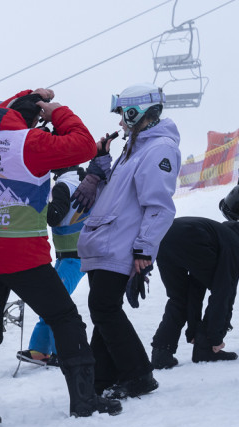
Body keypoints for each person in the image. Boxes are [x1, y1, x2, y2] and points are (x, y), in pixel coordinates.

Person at [0, 88, 121, 427]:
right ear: (34, 120)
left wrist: (28, 96)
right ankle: (84, 400)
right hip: (20, 254)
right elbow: (85, 145)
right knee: (64, 318)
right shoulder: (30, 143)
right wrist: (58, 110)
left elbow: (0, 114)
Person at [75, 83, 181, 398]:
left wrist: (143, 250)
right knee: (103, 308)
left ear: (137, 113)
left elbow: (159, 206)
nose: (120, 122)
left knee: (103, 307)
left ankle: (137, 375)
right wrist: (99, 169)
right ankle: (102, 378)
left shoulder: (158, 148)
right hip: (107, 240)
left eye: (123, 115)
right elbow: (119, 196)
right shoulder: (133, 149)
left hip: (122, 243)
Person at [150, 205, 239, 367]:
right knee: (224, 290)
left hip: (163, 238)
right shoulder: (233, 243)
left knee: (179, 297)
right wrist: (214, 338)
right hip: (192, 236)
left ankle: (162, 352)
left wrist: (193, 330)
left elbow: (196, 290)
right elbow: (224, 291)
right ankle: (207, 349)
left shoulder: (219, 234)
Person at [18, 167, 88, 366]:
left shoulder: (64, 185)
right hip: (72, 253)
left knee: (56, 302)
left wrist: (35, 204)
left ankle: (62, 351)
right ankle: (41, 349)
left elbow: (54, 215)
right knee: (52, 300)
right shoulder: (80, 180)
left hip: (73, 255)